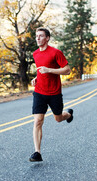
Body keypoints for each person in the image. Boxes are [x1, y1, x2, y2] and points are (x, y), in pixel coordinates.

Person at [29, 27, 74, 162]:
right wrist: (36, 78)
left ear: (47, 38)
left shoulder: (56, 53)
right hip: (39, 92)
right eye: (36, 36)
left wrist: (49, 70)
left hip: (54, 92)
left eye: (41, 36)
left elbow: (67, 70)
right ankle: (37, 152)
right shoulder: (35, 54)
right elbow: (40, 70)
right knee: (38, 121)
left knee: (58, 118)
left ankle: (69, 114)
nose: (38, 38)